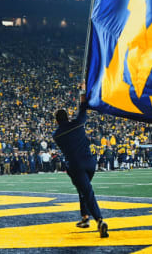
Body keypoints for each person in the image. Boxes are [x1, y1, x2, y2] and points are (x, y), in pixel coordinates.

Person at [52, 91, 108, 238]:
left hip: (75, 166)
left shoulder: (56, 135)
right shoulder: (78, 124)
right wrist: (82, 94)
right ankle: (85, 217)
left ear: (57, 121)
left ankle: (99, 220)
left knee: (87, 191)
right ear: (68, 117)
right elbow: (83, 110)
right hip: (90, 162)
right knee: (83, 190)